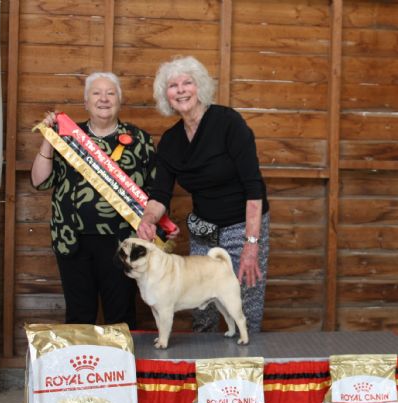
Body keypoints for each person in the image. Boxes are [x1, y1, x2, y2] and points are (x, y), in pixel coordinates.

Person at [137, 55, 270, 334]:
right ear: (166, 96)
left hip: (243, 225)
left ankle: (248, 354)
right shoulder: (170, 140)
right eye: (173, 86)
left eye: (187, 83)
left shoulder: (228, 122)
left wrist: (251, 244)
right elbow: (160, 195)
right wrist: (148, 219)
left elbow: (253, 187)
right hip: (203, 229)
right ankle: (205, 360)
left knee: (245, 304)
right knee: (201, 309)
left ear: (200, 87)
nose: (181, 90)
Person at [31, 71, 157, 330]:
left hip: (122, 242)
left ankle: (119, 359)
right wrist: (48, 138)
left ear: (119, 100)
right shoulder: (67, 136)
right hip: (72, 240)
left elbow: (156, 190)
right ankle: (82, 359)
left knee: (122, 316)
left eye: (110, 93)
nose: (104, 99)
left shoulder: (140, 140)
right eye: (96, 93)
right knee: (78, 315)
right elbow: (39, 181)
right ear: (86, 102)